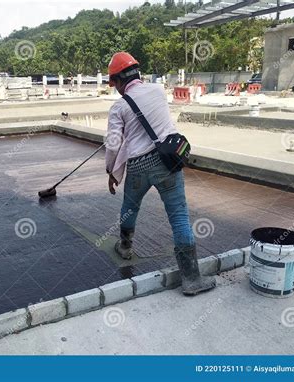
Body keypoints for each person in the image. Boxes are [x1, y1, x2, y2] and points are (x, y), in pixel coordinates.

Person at [105, 52, 216, 296]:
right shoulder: (157, 91)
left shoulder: (118, 107)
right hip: (167, 162)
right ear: (136, 72)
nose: (115, 89)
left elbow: (113, 143)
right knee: (179, 217)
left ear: (119, 80)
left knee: (130, 208)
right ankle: (191, 279)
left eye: (114, 84)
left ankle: (124, 247)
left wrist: (111, 171)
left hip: (137, 166)